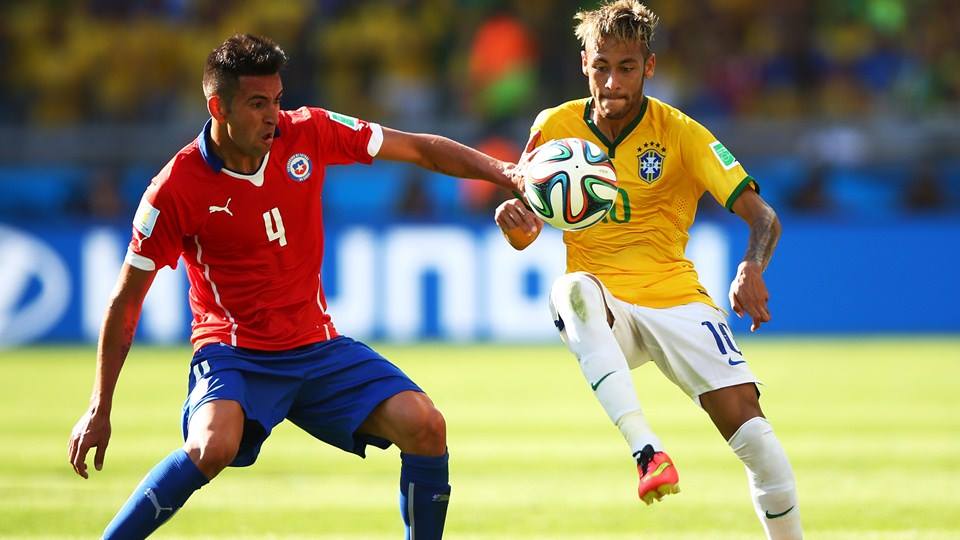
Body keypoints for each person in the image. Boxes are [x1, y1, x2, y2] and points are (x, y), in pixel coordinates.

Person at [67, 33, 523, 540]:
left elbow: (419, 149)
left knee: (425, 426)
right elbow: (127, 300)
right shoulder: (174, 189)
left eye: (277, 100)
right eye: (257, 103)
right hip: (235, 351)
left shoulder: (309, 131)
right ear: (218, 106)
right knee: (211, 446)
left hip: (316, 345)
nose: (273, 115)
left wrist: (507, 172)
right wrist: (99, 406)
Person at [494, 2, 803, 539]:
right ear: (583, 64)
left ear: (649, 66)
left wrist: (751, 267)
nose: (612, 82)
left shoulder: (682, 134)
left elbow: (764, 215)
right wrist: (517, 226)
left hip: (675, 299)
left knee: (761, 447)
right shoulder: (553, 126)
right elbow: (531, 228)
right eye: (601, 67)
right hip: (607, 311)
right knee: (570, 291)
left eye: (627, 68)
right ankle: (647, 451)